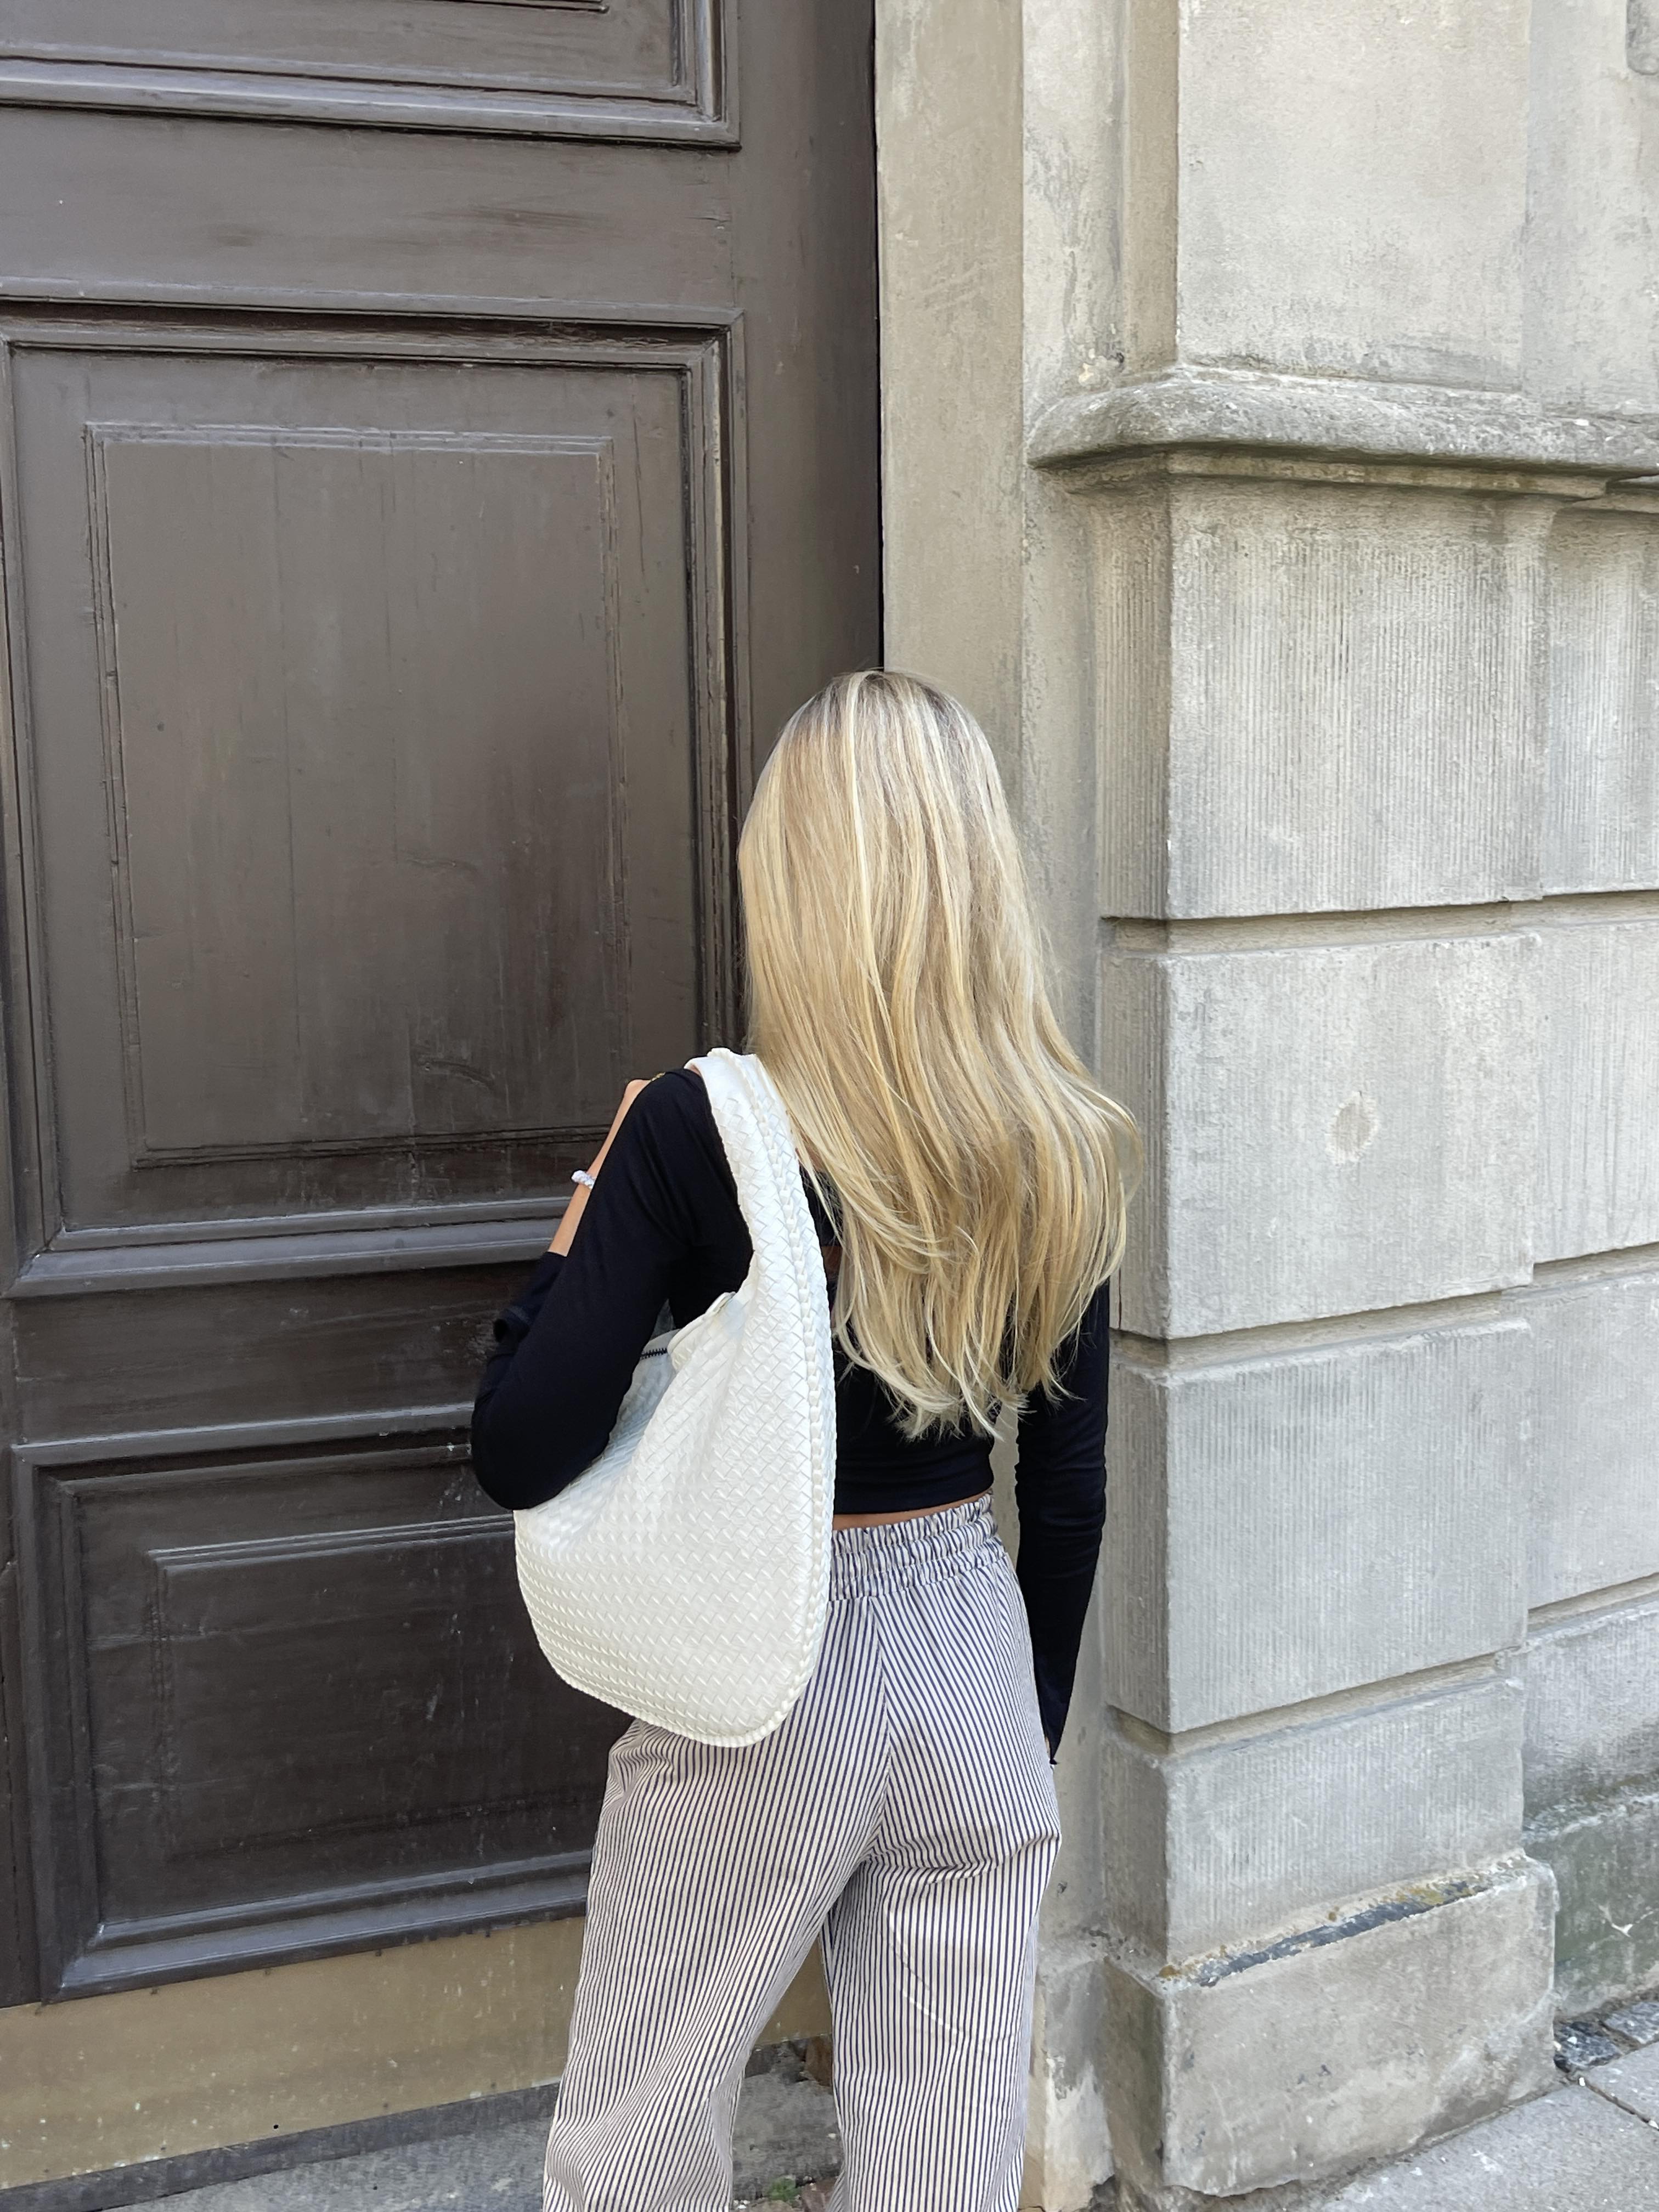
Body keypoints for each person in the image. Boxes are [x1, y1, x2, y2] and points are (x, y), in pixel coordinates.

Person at [471, 669, 1139, 2212]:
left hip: (766, 1669)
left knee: (639, 2141)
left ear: (793, 884)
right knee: (943, 2165)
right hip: (973, 1655)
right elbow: (1071, 1487)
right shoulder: (1063, 1138)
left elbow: (522, 1445)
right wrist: (1021, 1729)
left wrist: (585, 1222)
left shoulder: (699, 1128)